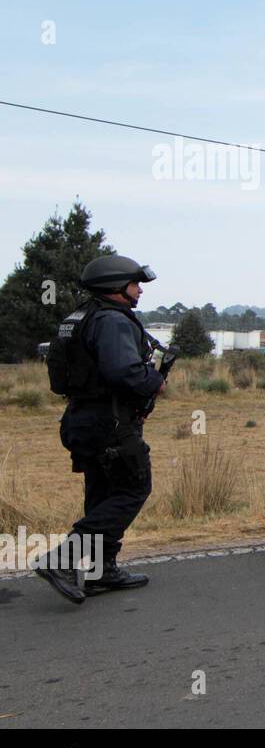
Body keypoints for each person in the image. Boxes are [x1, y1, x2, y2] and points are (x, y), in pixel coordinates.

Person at [36, 255, 165, 604]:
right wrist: (154, 381)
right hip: (110, 421)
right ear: (115, 286)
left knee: (102, 495)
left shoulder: (80, 316)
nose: (139, 290)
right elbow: (123, 372)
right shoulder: (112, 320)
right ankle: (61, 559)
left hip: (82, 418)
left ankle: (99, 571)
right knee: (132, 489)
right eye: (135, 284)